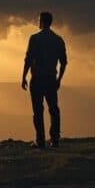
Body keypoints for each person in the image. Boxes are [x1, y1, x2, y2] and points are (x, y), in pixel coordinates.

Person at [21, 11, 68, 148]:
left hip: (37, 79)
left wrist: (23, 76)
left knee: (38, 110)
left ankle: (40, 140)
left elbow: (28, 59)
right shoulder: (58, 40)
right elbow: (64, 62)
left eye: (38, 20)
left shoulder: (34, 39)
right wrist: (59, 79)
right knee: (53, 109)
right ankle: (55, 140)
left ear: (41, 22)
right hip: (50, 79)